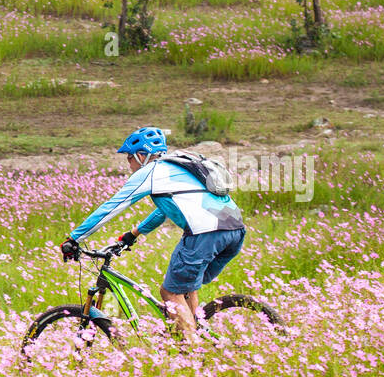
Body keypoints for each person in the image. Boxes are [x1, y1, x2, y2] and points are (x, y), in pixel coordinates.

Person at [59, 126, 245, 337]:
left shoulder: (151, 171)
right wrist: (134, 234)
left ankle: (194, 355)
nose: (128, 164)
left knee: (170, 292)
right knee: (186, 288)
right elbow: (165, 210)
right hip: (234, 230)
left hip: (205, 233)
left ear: (141, 156)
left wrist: (74, 238)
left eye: (129, 158)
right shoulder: (178, 166)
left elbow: (113, 205)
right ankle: (198, 338)